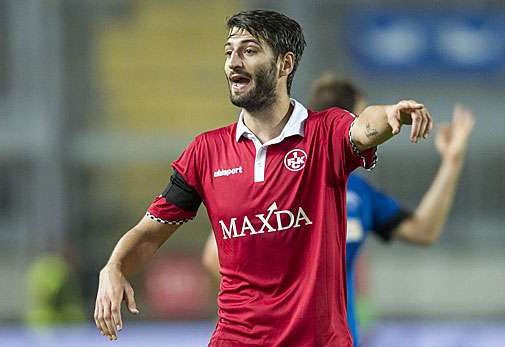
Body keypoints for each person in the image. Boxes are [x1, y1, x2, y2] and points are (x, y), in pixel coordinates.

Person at [94, 10, 433, 346]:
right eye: (229, 52)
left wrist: (391, 115)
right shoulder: (205, 152)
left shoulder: (325, 133)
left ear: (285, 64)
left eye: (249, 50)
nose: (233, 62)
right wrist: (114, 267)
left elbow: (364, 127)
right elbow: (150, 233)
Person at [202, 73, 475, 346]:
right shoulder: (277, 177)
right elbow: (215, 256)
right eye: (361, 117)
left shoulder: (358, 192)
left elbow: (423, 230)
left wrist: (452, 163)